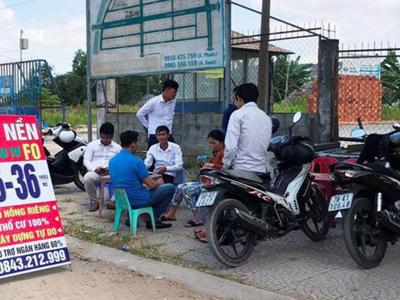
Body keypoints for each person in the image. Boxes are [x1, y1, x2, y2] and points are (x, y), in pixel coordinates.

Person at [109, 130, 175, 229]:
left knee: (144, 190)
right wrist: (158, 183)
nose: (138, 145)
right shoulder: (136, 161)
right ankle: (154, 218)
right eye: (137, 142)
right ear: (133, 144)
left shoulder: (112, 161)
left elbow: (126, 180)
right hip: (138, 199)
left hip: (121, 199)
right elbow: (152, 185)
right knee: (170, 188)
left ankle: (131, 217)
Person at [162, 129, 224, 229]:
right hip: (207, 180)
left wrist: (212, 165)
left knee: (187, 190)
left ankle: (197, 217)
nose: (212, 145)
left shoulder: (224, 153)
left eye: (214, 143)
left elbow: (224, 168)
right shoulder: (217, 153)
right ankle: (171, 213)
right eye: (211, 143)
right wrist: (203, 165)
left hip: (214, 184)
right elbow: (210, 169)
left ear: (221, 141)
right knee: (180, 186)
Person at [223, 83, 272, 173]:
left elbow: (231, 148)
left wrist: (225, 166)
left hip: (240, 171)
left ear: (239, 98)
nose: (235, 103)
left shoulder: (237, 115)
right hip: (261, 172)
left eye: (235, 99)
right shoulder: (266, 117)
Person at [83, 122, 121, 212]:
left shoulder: (117, 148)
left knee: (122, 178)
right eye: (103, 137)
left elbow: (119, 162)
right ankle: (95, 201)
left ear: (112, 136)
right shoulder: (92, 145)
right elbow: (86, 160)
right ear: (100, 135)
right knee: (87, 178)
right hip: (95, 172)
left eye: (108, 138)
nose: (105, 140)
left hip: (110, 173)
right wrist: (94, 169)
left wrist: (111, 169)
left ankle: (113, 201)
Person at [136, 79, 179, 149]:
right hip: (155, 135)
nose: (175, 94)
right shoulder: (154, 102)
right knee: (153, 157)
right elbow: (139, 114)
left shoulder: (173, 102)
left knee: (173, 154)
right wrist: (148, 126)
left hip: (168, 135)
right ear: (167, 89)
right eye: (174, 92)